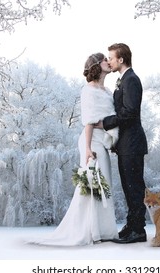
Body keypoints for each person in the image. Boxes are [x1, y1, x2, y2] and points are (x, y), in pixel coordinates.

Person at [29, 53, 119, 246]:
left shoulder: (107, 91)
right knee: (92, 185)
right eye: (104, 59)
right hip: (91, 141)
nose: (108, 61)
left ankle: (103, 230)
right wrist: (87, 149)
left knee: (104, 184)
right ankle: (90, 230)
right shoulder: (88, 90)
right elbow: (88, 121)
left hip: (102, 141)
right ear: (96, 65)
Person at [97, 43, 148, 244]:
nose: (108, 61)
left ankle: (139, 230)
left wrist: (106, 123)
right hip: (126, 144)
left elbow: (130, 112)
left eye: (111, 57)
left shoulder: (131, 80)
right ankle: (131, 226)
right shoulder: (124, 80)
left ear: (121, 59)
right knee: (128, 187)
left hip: (133, 143)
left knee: (134, 187)